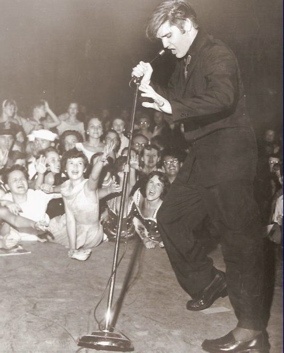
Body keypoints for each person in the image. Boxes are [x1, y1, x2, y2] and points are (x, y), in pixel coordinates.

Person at [132, 1, 267, 352]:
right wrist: (153, 85)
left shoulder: (217, 54)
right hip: (202, 155)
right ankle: (208, 283)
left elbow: (221, 97)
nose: (165, 45)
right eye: (160, 38)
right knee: (170, 217)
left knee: (238, 241)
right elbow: (178, 101)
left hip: (229, 156)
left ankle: (252, 332)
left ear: (188, 24)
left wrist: (168, 106)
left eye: (169, 35)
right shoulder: (182, 62)